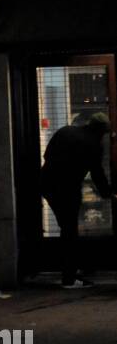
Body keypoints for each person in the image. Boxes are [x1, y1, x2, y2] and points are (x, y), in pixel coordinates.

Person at [40, 111, 113, 289]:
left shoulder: (65, 131)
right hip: (68, 190)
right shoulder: (94, 144)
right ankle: (69, 278)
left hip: (47, 184)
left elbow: (47, 156)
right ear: (100, 130)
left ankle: (70, 272)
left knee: (66, 227)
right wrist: (107, 193)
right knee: (70, 232)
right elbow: (97, 174)